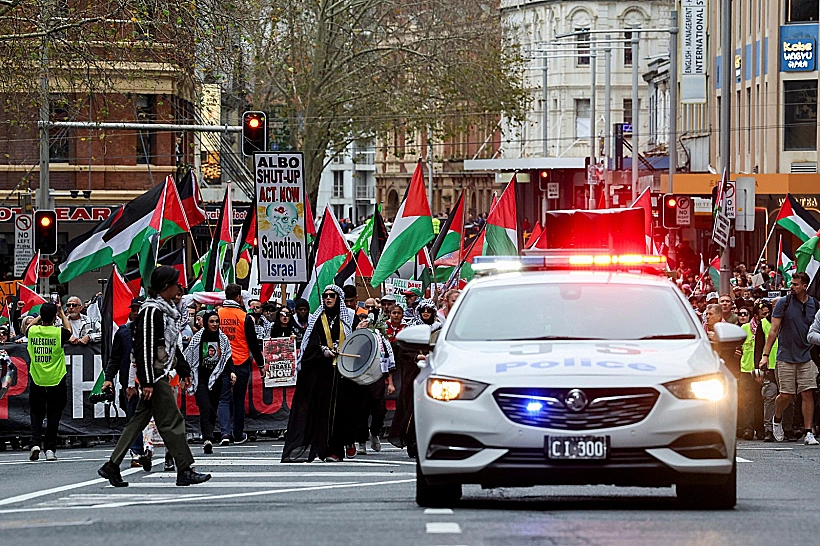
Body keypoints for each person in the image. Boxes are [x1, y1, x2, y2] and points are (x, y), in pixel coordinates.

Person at [97, 266, 211, 487]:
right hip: (155, 376)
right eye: (176, 284)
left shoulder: (164, 310)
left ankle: (112, 465)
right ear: (165, 287)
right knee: (173, 421)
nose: (179, 288)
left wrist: (184, 369)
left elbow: (168, 346)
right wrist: (147, 381)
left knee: (138, 421)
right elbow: (144, 348)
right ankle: (185, 468)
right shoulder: (152, 311)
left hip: (158, 372)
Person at [281, 285, 359, 462]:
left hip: (344, 373)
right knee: (323, 412)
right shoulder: (319, 319)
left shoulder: (349, 318)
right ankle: (325, 450)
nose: (328, 298)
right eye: (325, 296)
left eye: (332, 295)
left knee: (341, 412)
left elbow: (358, 340)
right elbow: (311, 343)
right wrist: (322, 350)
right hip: (323, 372)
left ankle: (342, 446)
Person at [762, 273, 819, 445]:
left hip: (807, 355)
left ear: (804, 286)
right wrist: (765, 355)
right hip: (786, 355)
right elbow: (774, 330)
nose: (791, 287)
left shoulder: (815, 305)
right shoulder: (783, 303)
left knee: (807, 393)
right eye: (791, 283)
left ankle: (809, 432)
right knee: (786, 394)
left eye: (795, 284)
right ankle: (777, 419)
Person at [390, 298, 441, 457]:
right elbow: (403, 352)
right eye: (423, 310)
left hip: (435, 375)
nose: (426, 313)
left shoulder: (440, 330)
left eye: (429, 311)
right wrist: (416, 358)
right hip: (414, 375)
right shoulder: (413, 329)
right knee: (412, 407)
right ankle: (412, 440)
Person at [102, 297, 148, 469]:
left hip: (150, 382)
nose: (136, 313)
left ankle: (165, 453)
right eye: (134, 309)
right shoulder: (123, 331)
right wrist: (108, 378)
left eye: (139, 309)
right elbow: (115, 358)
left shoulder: (153, 330)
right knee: (133, 419)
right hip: (129, 383)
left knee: (159, 420)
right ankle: (136, 452)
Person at [216, 283, 264, 445]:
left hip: (221, 363)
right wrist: (261, 364)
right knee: (238, 399)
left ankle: (224, 433)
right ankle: (237, 434)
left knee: (223, 399)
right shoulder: (245, 317)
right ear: (238, 298)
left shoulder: (217, 314)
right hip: (240, 362)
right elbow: (253, 344)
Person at [24, 302, 71, 462]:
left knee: (36, 414)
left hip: (37, 379)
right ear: (54, 317)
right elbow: (69, 331)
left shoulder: (33, 331)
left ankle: (35, 443)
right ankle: (50, 449)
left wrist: (40, 317)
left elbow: (27, 326)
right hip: (56, 380)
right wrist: (61, 313)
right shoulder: (58, 332)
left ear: (41, 316)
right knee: (54, 415)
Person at [184, 311, 235, 455]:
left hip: (217, 378)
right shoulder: (198, 338)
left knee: (212, 408)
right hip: (200, 378)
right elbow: (188, 356)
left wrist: (232, 371)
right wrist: (185, 374)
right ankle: (207, 439)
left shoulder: (222, 338)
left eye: (217, 321)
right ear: (206, 322)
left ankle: (209, 433)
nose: (214, 324)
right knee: (205, 407)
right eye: (212, 321)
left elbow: (228, 357)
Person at [736, 306, 775, 441]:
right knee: (747, 401)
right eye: (762, 314)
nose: (765, 316)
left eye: (767, 314)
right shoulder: (745, 328)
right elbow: (736, 347)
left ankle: (760, 429)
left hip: (763, 369)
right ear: (756, 316)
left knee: (760, 400)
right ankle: (748, 429)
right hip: (746, 369)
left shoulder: (768, 327)